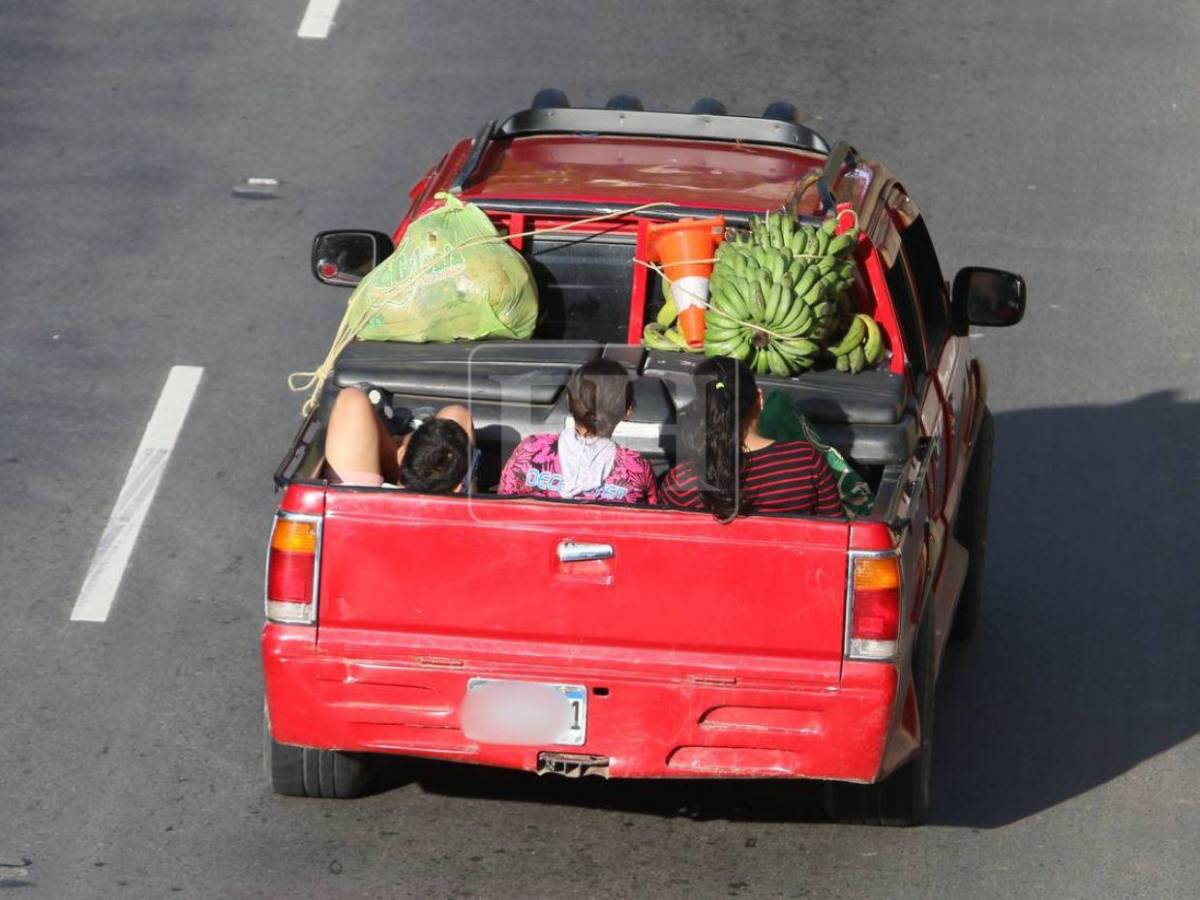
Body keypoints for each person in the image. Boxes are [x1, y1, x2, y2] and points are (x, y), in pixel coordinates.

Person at [660, 356, 842, 519]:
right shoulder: (805, 460)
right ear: (760, 399)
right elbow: (835, 531)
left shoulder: (681, 482)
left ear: (702, 410)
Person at [498, 359, 658, 504]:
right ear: (627, 411)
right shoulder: (637, 468)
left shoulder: (530, 448)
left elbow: (501, 507)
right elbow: (649, 523)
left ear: (568, 402)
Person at [323, 386, 475, 493]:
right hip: (445, 513)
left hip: (362, 501)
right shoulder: (466, 520)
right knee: (458, 414)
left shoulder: (354, 501)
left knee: (352, 399)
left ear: (401, 455)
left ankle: (393, 438)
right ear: (457, 487)